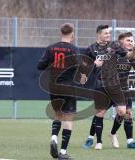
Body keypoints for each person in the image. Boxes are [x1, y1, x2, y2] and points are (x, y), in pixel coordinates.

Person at [38, 23, 88, 160]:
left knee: (57, 115)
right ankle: (63, 152)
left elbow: (40, 65)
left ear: (61, 33)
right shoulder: (74, 49)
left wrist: (52, 64)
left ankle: (54, 137)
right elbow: (81, 67)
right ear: (72, 34)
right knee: (68, 118)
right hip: (68, 87)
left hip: (53, 87)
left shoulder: (50, 48)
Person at [82, 25, 135, 150]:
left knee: (123, 112)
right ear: (99, 34)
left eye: (109, 33)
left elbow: (129, 56)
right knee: (100, 113)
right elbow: (84, 67)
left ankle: (113, 134)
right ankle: (98, 141)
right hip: (100, 84)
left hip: (115, 85)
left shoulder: (115, 45)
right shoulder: (90, 49)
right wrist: (93, 65)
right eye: (106, 33)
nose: (108, 35)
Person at [109, 32, 135, 149]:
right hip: (110, 88)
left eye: (132, 41)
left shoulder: (131, 54)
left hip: (124, 88)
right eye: (128, 40)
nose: (131, 42)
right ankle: (91, 138)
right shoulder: (115, 52)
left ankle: (129, 141)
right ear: (121, 42)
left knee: (127, 114)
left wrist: (134, 53)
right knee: (100, 113)